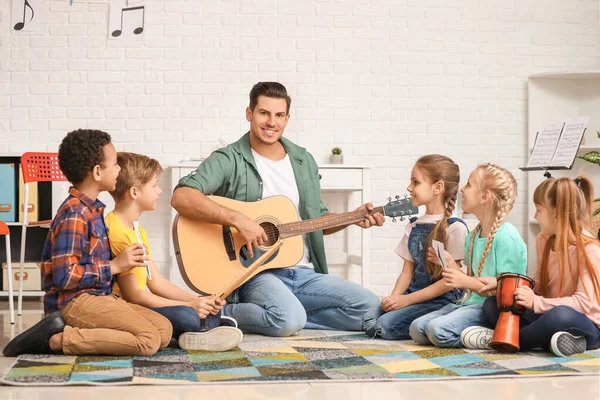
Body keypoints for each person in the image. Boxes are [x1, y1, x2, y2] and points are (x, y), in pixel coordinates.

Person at [170, 82, 383, 337]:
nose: (272, 122)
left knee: (371, 308)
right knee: (287, 320)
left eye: (279, 115)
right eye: (264, 113)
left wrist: (352, 218)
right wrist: (239, 220)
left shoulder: (303, 161)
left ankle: (285, 312)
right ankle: (220, 312)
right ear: (249, 114)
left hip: (303, 272)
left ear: (287, 118)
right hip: (252, 274)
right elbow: (182, 196)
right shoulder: (229, 158)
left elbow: (316, 221)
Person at [3, 130, 172, 357]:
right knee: (148, 341)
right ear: (97, 172)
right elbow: (65, 276)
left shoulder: (94, 210)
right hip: (74, 302)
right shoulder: (74, 213)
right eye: (115, 164)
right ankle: (56, 339)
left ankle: (86, 332)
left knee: (164, 329)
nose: (119, 169)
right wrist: (114, 266)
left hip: (98, 298)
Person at [106, 152, 243, 351]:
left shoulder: (136, 229)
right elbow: (134, 296)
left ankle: (203, 329)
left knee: (206, 311)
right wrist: (189, 307)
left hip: (140, 303)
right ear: (135, 192)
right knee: (188, 317)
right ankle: (200, 331)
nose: (159, 191)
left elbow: (157, 282)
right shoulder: (118, 233)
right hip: (129, 307)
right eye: (153, 185)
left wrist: (196, 300)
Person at [475, 176, 600, 357]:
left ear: (557, 213)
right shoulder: (544, 240)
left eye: (539, 210)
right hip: (548, 311)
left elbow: (584, 304)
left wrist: (536, 302)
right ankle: (555, 341)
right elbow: (539, 287)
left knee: (559, 316)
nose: (535, 216)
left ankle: (506, 339)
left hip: (587, 323)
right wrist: (504, 285)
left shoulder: (589, 249)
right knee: (492, 305)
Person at [409, 163, 526, 348]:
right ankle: (472, 333)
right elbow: (471, 279)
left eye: (469, 185)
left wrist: (464, 282)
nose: (462, 189)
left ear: (484, 196)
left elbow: (505, 290)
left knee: (437, 331)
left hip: (491, 309)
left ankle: (494, 337)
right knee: (417, 328)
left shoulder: (506, 237)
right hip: (468, 303)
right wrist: (448, 263)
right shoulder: (473, 236)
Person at [361, 155, 469, 340]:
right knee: (368, 320)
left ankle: (438, 322)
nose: (409, 188)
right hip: (413, 294)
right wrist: (394, 299)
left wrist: (406, 301)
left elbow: (451, 280)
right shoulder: (413, 225)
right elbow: (407, 271)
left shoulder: (455, 228)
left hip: (441, 299)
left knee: (385, 326)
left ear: (438, 187)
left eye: (416, 182)